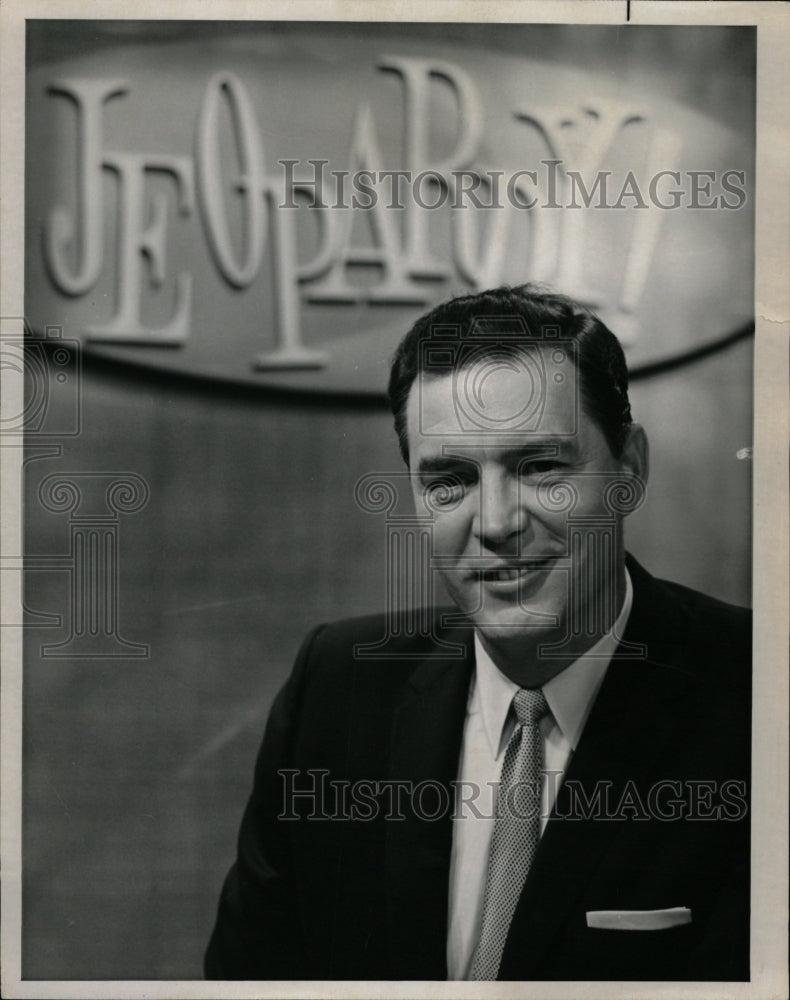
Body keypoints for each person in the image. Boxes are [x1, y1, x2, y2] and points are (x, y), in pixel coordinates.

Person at [205, 285, 751, 982]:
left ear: (630, 470)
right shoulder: (336, 689)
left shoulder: (758, 695)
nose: (495, 523)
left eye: (539, 466)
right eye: (451, 480)